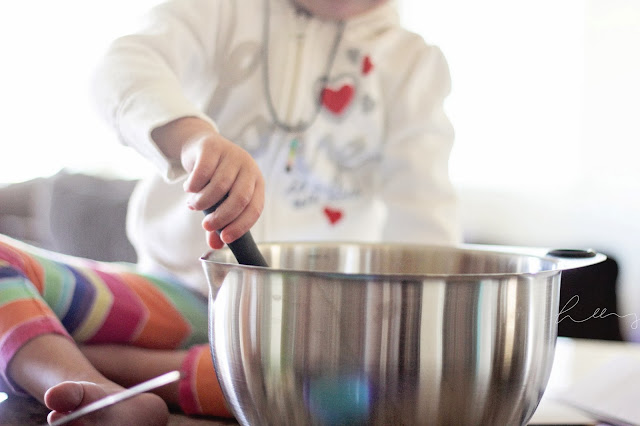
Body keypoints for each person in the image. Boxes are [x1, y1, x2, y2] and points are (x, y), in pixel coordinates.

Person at [0, 0, 460, 424]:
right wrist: (193, 139)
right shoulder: (220, 8)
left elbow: (426, 231)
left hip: (307, 334)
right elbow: (121, 67)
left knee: (362, 379)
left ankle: (109, 367)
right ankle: (92, 391)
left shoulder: (414, 65)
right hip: (180, 301)